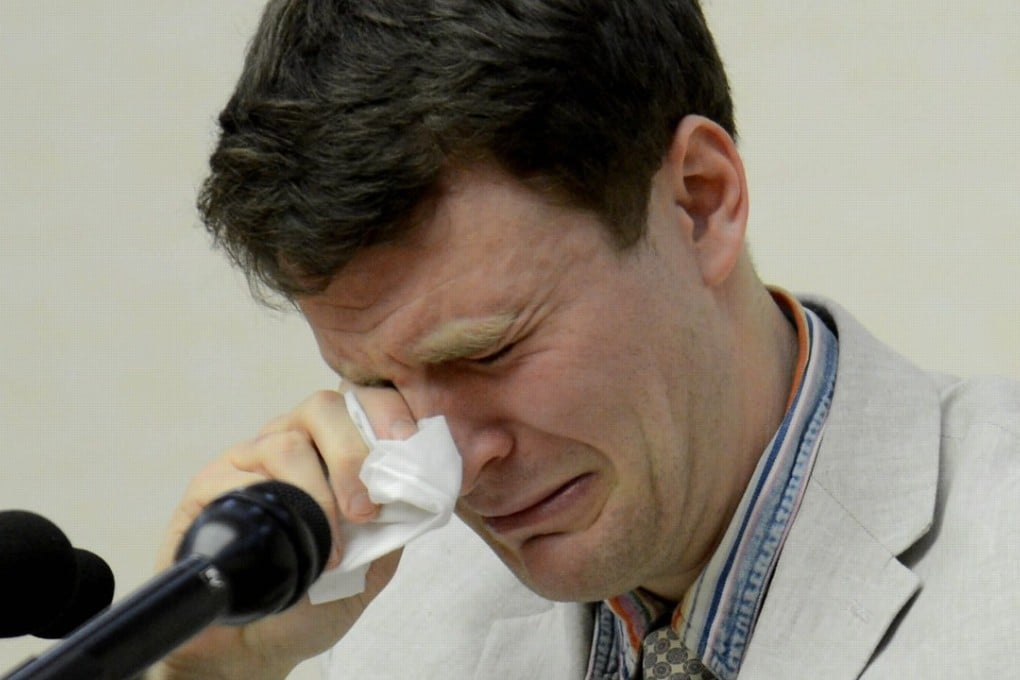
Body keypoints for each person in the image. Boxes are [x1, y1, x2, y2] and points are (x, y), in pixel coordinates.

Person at [151, 1, 1020, 678]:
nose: (455, 468)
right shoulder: (391, 617)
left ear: (700, 201)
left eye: (488, 351)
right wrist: (206, 674)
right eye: (378, 387)